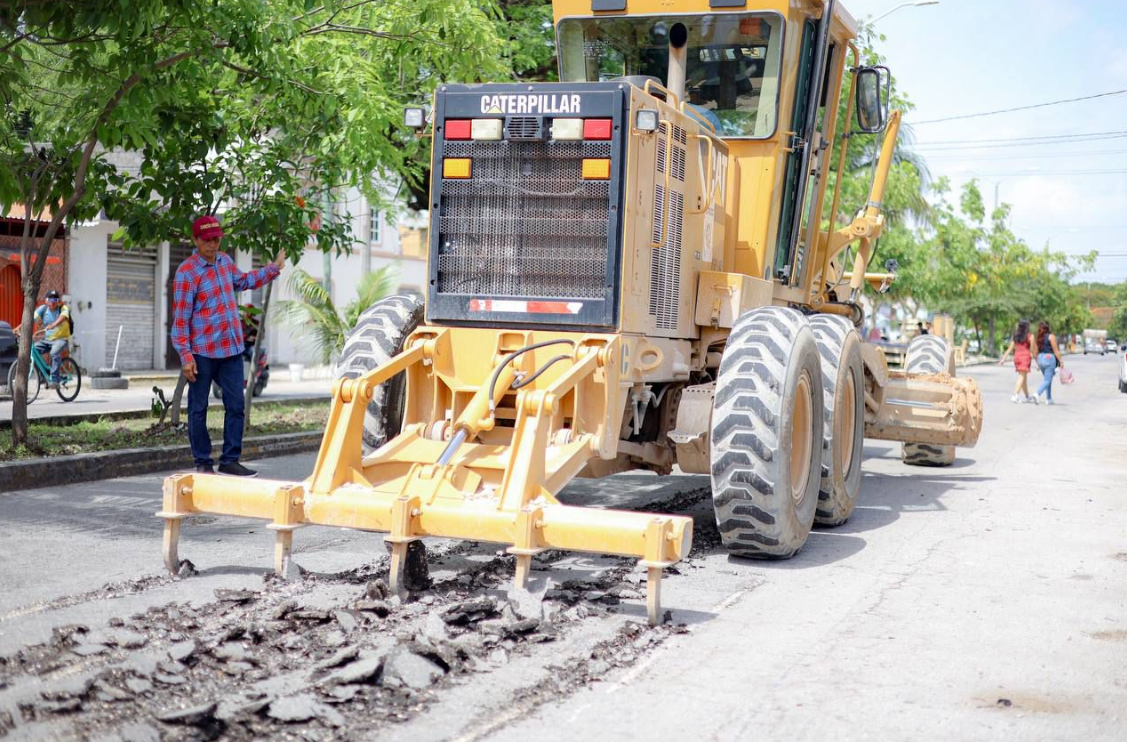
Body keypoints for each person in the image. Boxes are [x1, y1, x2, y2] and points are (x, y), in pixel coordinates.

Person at [171, 215, 285, 477]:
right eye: (207, 240)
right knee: (198, 408)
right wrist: (186, 356)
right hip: (201, 352)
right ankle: (202, 462)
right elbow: (180, 320)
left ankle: (229, 460)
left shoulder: (225, 262)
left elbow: (244, 281)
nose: (213, 244)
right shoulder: (187, 273)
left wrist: (274, 268)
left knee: (236, 405)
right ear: (195, 240)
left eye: (217, 239)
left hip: (231, 350)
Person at [30, 290, 71, 389]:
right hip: (47, 339)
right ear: (46, 301)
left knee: (54, 352)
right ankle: (43, 377)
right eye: (50, 299)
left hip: (61, 339)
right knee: (32, 351)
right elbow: (30, 319)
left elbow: (63, 317)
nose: (52, 302)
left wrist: (53, 324)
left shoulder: (63, 308)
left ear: (58, 301)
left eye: (55, 299)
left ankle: (55, 380)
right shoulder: (43, 309)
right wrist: (18, 329)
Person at [998, 318, 1035, 403]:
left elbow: (1010, 348)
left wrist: (1003, 359)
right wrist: (1036, 361)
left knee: (1024, 378)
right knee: (1022, 377)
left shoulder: (1016, 336)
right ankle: (1015, 395)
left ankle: (1027, 396)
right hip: (1025, 357)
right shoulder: (1030, 336)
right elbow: (1032, 350)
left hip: (1017, 357)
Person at [1033, 320, 1064, 405]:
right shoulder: (1051, 337)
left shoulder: (1038, 338)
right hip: (1049, 358)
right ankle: (1037, 393)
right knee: (1048, 380)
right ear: (1048, 327)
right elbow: (1056, 351)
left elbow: (1035, 352)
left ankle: (1049, 398)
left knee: (1047, 379)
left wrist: (1037, 363)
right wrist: (1061, 361)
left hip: (1040, 358)